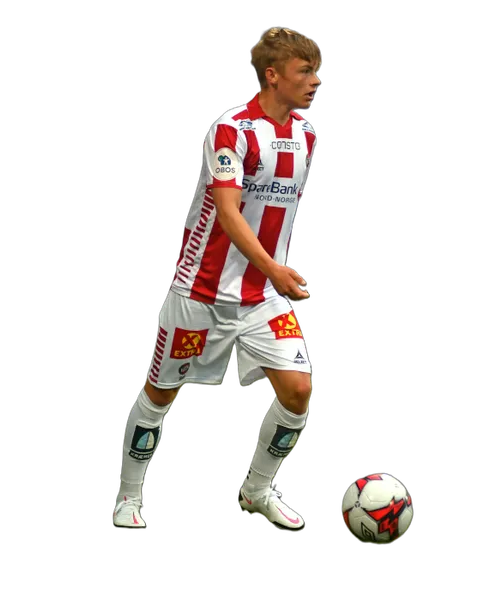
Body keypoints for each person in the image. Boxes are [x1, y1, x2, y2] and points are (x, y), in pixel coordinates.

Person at [112, 25, 322, 531]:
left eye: (316, 71)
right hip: (201, 293)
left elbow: (273, 215)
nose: (315, 81)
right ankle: (128, 497)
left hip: (262, 296)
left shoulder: (305, 136)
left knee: (298, 391)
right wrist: (274, 267)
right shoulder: (232, 131)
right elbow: (228, 213)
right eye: (305, 71)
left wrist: (272, 273)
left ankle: (257, 491)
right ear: (272, 75)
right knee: (161, 392)